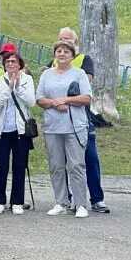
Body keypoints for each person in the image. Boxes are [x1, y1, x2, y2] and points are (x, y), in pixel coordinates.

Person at [54, 27, 109, 213]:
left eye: (68, 40)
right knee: (64, 161)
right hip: (59, 119)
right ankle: (69, 199)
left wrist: (64, 95)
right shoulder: (52, 62)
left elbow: (85, 83)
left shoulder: (84, 60)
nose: (64, 42)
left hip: (81, 118)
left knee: (90, 158)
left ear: (75, 43)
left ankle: (97, 198)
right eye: (61, 39)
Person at [36, 40, 92, 218]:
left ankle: (81, 203)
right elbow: (39, 98)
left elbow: (86, 98)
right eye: (59, 51)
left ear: (72, 55)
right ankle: (61, 201)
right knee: (56, 166)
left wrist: (66, 100)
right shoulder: (46, 75)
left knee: (76, 165)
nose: (62, 54)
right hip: (53, 126)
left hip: (74, 126)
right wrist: (53, 103)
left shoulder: (79, 73)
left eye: (66, 52)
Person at [0, 51, 36, 215]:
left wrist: (18, 89)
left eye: (13, 62)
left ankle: (17, 201)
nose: (10, 64)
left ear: (20, 65)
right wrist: (8, 89)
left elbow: (31, 101)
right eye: (7, 62)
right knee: (1, 165)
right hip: (2, 130)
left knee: (19, 165)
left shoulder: (27, 80)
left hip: (21, 130)